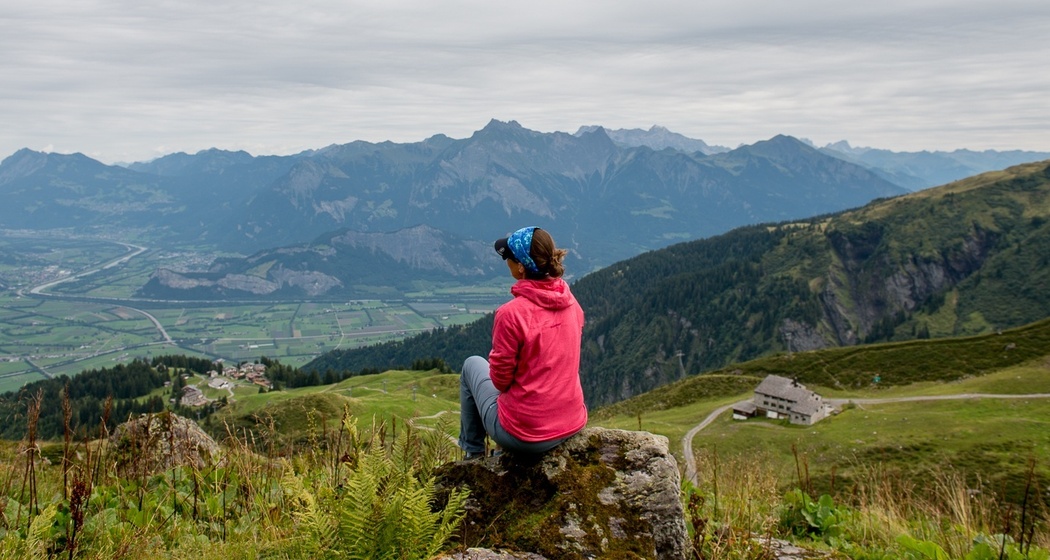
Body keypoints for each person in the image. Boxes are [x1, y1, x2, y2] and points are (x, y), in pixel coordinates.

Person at [459, 226, 587, 458]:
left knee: (471, 365)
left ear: (520, 266)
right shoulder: (571, 304)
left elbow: (500, 381)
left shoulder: (511, 314)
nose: (506, 261)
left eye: (507, 257)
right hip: (572, 422)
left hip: (527, 436)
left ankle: (473, 456)